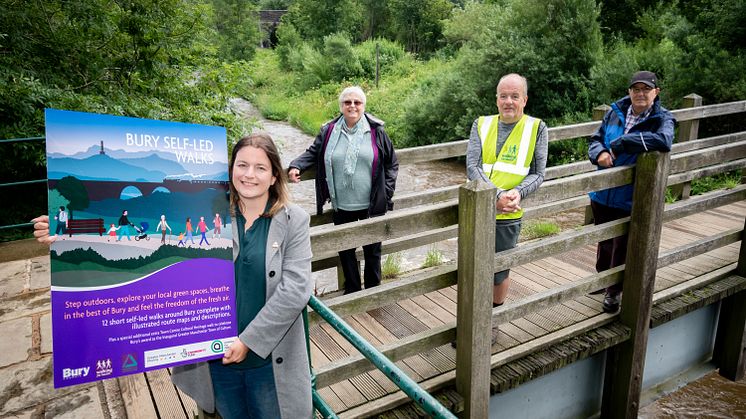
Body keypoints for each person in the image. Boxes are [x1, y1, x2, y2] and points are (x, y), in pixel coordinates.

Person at [32, 133, 314, 419]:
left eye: (260, 167)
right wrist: (61, 230)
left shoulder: (294, 220)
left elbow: (296, 290)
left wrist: (248, 342)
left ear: (275, 176)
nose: (249, 174)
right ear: (231, 170)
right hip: (216, 359)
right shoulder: (207, 211)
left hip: (268, 363)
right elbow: (141, 236)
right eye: (242, 165)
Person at [288, 86, 399, 294]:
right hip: (342, 204)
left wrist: (386, 192)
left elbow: (392, 163)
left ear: (363, 106)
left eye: (357, 102)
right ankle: (353, 292)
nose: (352, 106)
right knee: (346, 251)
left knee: (372, 252)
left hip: (371, 204)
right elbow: (313, 153)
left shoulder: (376, 131)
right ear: (341, 106)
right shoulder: (329, 131)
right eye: (348, 102)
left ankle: (373, 293)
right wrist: (296, 165)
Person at [588, 70, 675, 313]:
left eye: (646, 89)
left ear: (655, 93)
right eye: (636, 89)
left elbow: (664, 141)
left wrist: (624, 142)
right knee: (605, 239)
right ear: (629, 92)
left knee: (621, 244)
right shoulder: (614, 112)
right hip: (603, 190)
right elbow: (595, 140)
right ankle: (602, 279)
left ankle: (613, 292)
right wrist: (600, 153)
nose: (640, 93)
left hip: (630, 194)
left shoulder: (662, 118)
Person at [466, 73, 549, 308]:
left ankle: (492, 321)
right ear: (496, 99)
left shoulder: (537, 128)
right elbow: (472, 165)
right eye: (503, 96)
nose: (508, 101)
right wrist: (496, 196)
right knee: (473, 268)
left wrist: (517, 194)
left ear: (524, 99)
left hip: (508, 213)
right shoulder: (481, 124)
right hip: (478, 210)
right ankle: (472, 319)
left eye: (515, 96)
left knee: (498, 271)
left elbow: (538, 172)